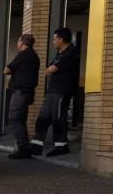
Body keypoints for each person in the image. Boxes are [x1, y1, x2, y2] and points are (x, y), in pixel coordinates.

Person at [32, 28, 80, 157]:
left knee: (58, 118)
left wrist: (51, 69)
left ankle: (61, 146)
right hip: (52, 90)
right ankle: (36, 146)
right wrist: (51, 69)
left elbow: (52, 69)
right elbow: (49, 68)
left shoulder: (71, 52)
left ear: (61, 39)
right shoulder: (60, 53)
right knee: (43, 116)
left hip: (62, 91)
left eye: (54, 39)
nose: (53, 41)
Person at [3, 33, 40, 159]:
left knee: (14, 120)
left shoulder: (23, 54)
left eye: (19, 41)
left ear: (22, 43)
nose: (17, 44)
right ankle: (25, 148)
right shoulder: (34, 56)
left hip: (20, 93)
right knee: (21, 120)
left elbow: (7, 70)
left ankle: (24, 149)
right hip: (28, 92)